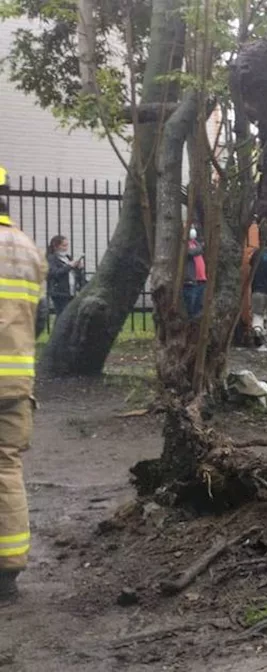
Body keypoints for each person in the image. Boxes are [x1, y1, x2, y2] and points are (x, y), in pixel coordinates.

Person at [0, 165, 46, 603]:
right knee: (6, 469)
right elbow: (42, 316)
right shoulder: (29, 250)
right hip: (15, 384)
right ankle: (7, 572)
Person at [45, 235, 84, 314]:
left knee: (70, 315)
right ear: (56, 246)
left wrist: (78, 267)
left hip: (70, 291)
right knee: (62, 314)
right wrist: (69, 266)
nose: (66, 248)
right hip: (59, 292)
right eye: (63, 245)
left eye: (67, 245)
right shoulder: (52, 258)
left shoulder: (68, 257)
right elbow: (54, 273)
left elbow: (73, 273)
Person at [183, 226, 208, 319]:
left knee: (199, 307)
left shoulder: (195, 243)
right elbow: (191, 252)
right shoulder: (185, 244)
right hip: (191, 281)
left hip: (201, 280)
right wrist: (201, 246)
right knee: (191, 308)